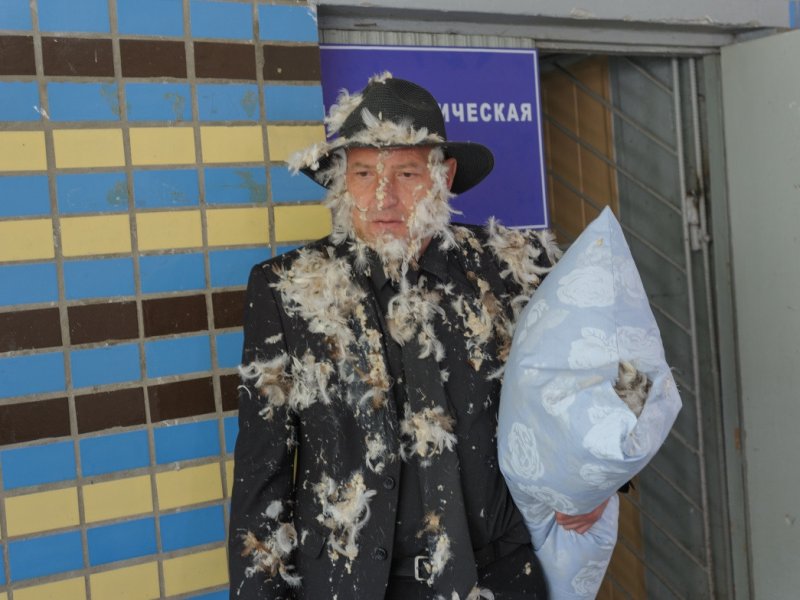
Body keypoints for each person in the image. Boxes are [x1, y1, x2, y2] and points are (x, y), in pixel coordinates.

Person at [228, 73, 605, 600]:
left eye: (406, 173)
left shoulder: (513, 268)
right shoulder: (288, 289)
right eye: (363, 173)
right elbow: (260, 474)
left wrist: (592, 479)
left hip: (498, 577)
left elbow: (589, 384)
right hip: (350, 585)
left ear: (443, 176)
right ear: (341, 181)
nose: (383, 197)